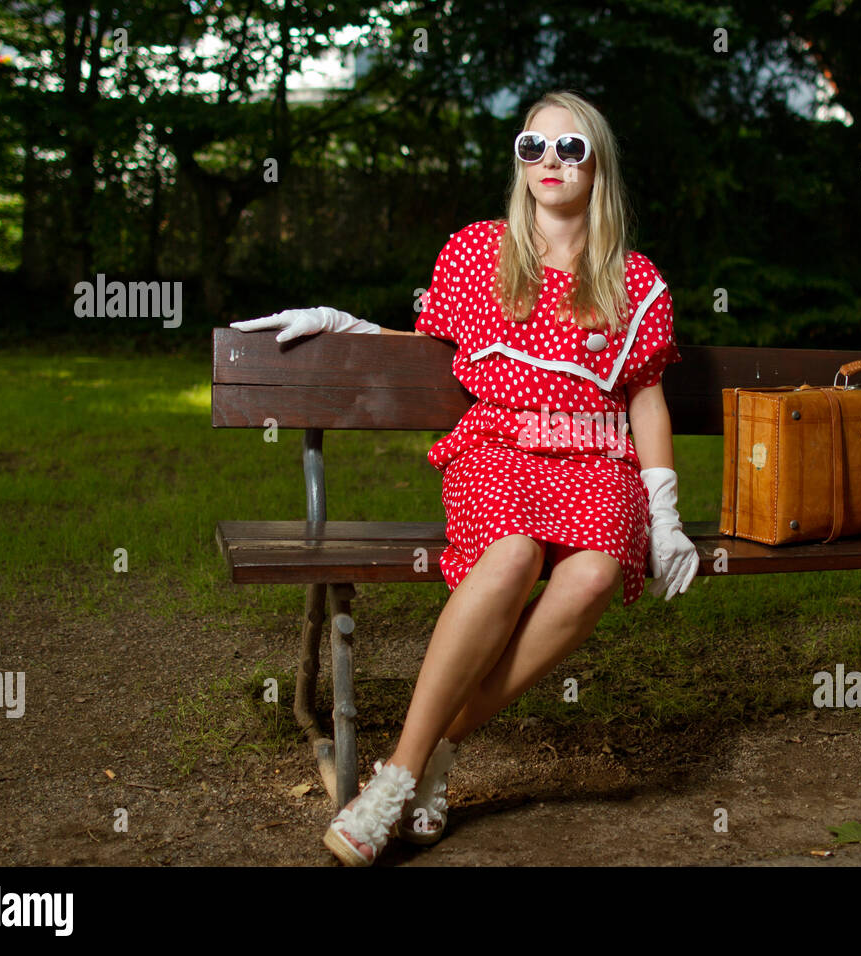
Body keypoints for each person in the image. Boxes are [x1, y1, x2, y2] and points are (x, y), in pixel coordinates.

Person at [231, 90, 700, 866]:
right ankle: (402, 775)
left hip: (596, 458)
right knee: (512, 556)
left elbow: (645, 397)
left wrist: (665, 510)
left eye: (571, 149)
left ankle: (439, 752)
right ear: (519, 163)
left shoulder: (635, 280)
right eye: (533, 148)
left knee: (589, 579)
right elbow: (425, 345)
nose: (550, 162)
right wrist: (343, 326)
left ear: (599, 165)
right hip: (499, 451)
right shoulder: (478, 253)